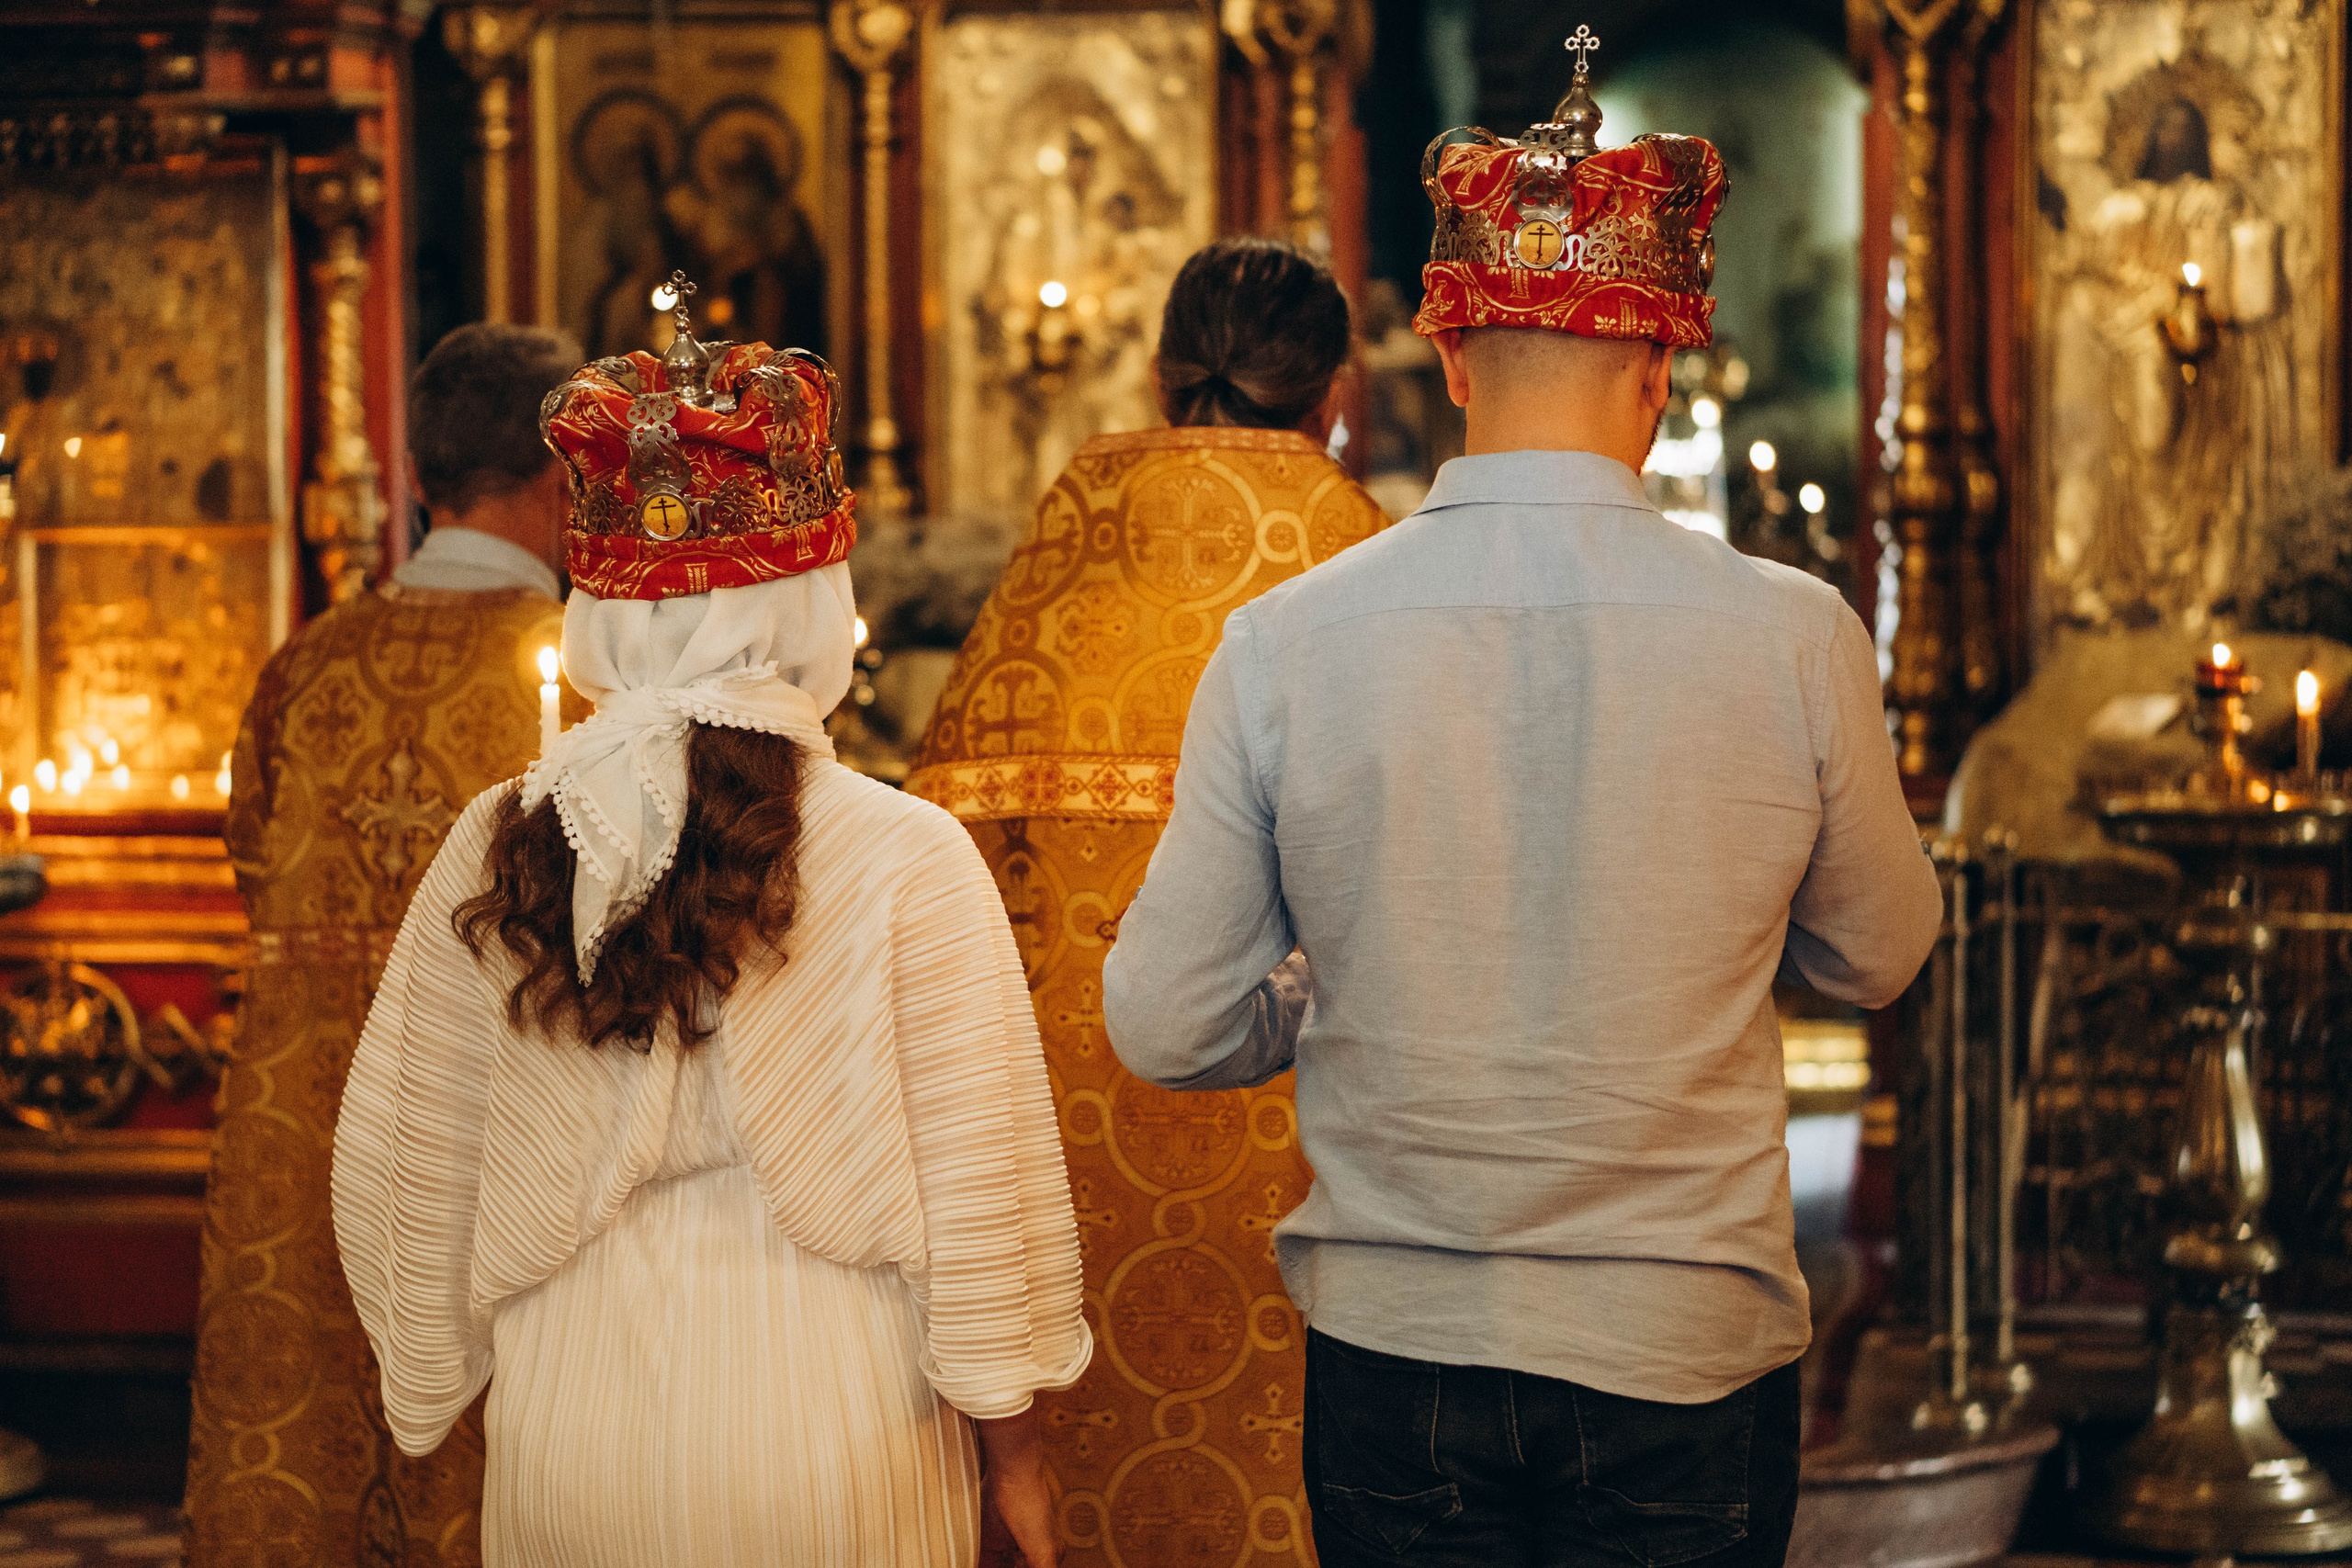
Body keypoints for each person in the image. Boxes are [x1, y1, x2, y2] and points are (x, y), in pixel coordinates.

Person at [1101, 64, 1943, 1568]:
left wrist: (1333, 985)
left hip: (1400, 1343)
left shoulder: (1290, 640)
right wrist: (1730, 947)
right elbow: (1878, 955)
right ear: (1661, 373)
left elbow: (1169, 1024)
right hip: (1686, 1335)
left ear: (1453, 360)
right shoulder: (1795, 634)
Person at [331, 307, 1090, 1568]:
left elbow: (407, 1149)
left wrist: (445, 1368)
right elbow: (978, 1193)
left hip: (572, 1414)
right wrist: (1017, 1461)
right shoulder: (907, 853)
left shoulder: (497, 840)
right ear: (814, 597)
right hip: (835, 1410)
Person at [904, 237, 1385, 1546]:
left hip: (1062, 1128)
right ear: (1332, 391)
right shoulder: (1370, 574)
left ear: (1167, 376)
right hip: (1300, 1134)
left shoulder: (1056, 574)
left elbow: (927, 854)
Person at [184, 322, 582, 1568]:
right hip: (495, 1126)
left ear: (421, 479)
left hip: (301, 1124)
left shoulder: (304, 668)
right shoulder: (579, 688)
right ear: (565, 477)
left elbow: (249, 857)